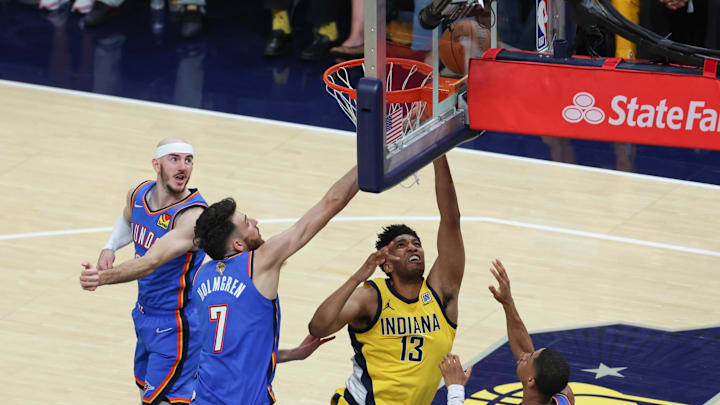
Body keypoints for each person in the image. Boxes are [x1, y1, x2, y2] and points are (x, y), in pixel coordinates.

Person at [190, 166, 359, 404]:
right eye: (248, 222)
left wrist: (293, 354)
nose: (256, 222)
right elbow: (331, 203)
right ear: (238, 244)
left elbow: (228, 351)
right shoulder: (258, 262)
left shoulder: (200, 278)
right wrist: (370, 160)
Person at [308, 155, 465, 405]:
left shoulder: (440, 293)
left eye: (416, 244)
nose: (413, 248)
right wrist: (357, 278)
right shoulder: (371, 297)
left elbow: (451, 221)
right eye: (401, 245)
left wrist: (439, 154)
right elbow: (318, 327)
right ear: (387, 263)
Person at [79, 137, 208, 405]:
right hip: (144, 314)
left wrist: (101, 278)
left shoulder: (193, 216)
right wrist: (110, 247)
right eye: (174, 159)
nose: (183, 167)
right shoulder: (138, 194)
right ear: (156, 164)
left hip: (176, 324)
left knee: (161, 400)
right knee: (146, 393)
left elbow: (149, 262)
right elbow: (128, 218)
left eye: (188, 160)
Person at [438, 259, 574, 405]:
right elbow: (525, 352)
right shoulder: (563, 396)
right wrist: (508, 303)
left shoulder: (562, 393)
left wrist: (455, 389)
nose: (523, 356)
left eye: (528, 358)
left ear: (530, 380)